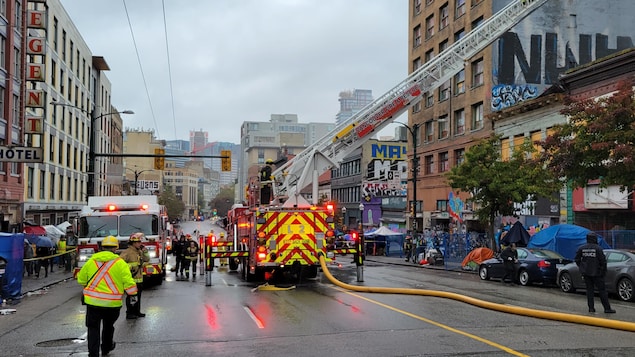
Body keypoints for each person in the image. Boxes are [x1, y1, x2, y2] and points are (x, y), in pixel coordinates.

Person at [77, 235, 137, 357]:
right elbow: (128, 282)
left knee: (93, 329)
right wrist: (133, 294)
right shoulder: (120, 263)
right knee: (108, 326)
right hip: (112, 304)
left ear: (101, 247)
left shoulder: (91, 261)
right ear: (116, 248)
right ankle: (106, 348)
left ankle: (93, 354)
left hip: (93, 304)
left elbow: (81, 280)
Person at [575, 233, 615, 313]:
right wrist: (603, 272)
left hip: (586, 273)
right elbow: (603, 261)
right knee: (602, 291)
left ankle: (591, 308)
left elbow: (577, 260)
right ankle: (607, 308)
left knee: (589, 291)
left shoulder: (582, 248)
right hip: (597, 273)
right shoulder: (598, 249)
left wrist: (582, 267)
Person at [119, 232, 150, 319]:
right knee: (131, 297)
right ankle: (129, 313)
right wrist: (131, 267)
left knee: (138, 297)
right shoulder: (127, 252)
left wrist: (145, 252)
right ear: (133, 243)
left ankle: (137, 312)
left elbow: (147, 259)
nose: (140, 244)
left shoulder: (139, 252)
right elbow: (120, 263)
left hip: (139, 278)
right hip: (131, 279)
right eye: (138, 242)